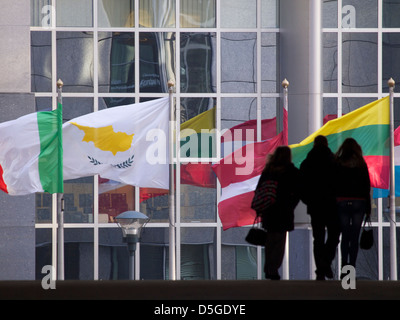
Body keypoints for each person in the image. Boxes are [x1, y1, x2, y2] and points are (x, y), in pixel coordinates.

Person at [256, 146, 301, 280]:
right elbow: (298, 191)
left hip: (269, 210)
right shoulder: (292, 171)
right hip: (284, 211)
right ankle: (273, 268)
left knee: (270, 239)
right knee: (280, 241)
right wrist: (292, 204)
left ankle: (269, 266)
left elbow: (260, 189)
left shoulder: (269, 171)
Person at [300, 135, 340, 280]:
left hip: (315, 206)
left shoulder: (307, 163)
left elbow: (302, 187)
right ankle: (325, 264)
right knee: (334, 236)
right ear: (326, 144)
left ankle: (321, 268)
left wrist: (308, 201)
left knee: (318, 238)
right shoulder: (335, 162)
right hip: (332, 205)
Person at [334, 138, 371, 275]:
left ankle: (344, 267)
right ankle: (352, 268)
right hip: (359, 202)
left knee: (345, 236)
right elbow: (366, 187)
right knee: (354, 237)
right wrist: (368, 209)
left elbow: (333, 185)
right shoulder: (361, 164)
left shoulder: (338, 163)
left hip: (342, 202)